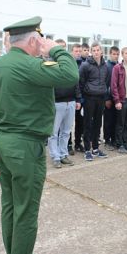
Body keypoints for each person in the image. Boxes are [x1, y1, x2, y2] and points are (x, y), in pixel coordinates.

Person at [0, 16, 79, 254]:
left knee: (10, 206)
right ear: (33, 40)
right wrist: (56, 49)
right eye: (40, 41)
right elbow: (70, 74)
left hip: (3, 142)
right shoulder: (29, 65)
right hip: (25, 146)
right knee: (26, 211)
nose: (41, 46)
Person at [49, 40, 81, 168]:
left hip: (71, 102)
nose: (61, 50)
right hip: (57, 103)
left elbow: (76, 80)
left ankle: (63, 154)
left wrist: (78, 99)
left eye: (63, 47)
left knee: (66, 132)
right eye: (59, 47)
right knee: (53, 132)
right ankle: (55, 157)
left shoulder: (69, 62)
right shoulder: (50, 64)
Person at [79, 42, 109, 161]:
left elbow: (106, 81)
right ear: (91, 52)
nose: (96, 52)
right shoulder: (85, 65)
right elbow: (80, 82)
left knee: (98, 124)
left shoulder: (105, 66)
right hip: (89, 98)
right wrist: (82, 99)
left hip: (101, 98)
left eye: (98, 50)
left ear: (101, 51)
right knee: (87, 124)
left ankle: (95, 148)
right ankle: (87, 149)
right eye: (94, 50)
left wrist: (104, 92)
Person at [103, 46, 120, 151]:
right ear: (110, 54)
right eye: (114, 54)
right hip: (109, 98)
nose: (116, 56)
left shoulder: (119, 66)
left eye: (117, 54)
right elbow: (105, 84)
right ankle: (107, 140)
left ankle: (114, 139)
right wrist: (106, 98)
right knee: (108, 120)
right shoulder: (106, 66)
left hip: (118, 98)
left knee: (116, 120)